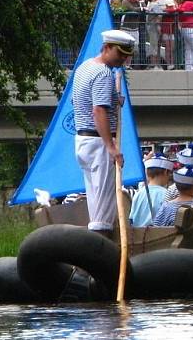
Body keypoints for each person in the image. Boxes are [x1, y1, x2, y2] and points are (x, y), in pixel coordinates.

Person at [72, 29, 135, 237]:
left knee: (95, 201)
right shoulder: (103, 73)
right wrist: (111, 147)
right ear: (107, 47)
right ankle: (98, 255)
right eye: (120, 55)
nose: (123, 60)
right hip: (99, 143)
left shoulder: (84, 67)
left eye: (126, 56)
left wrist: (113, 98)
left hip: (83, 140)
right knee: (103, 210)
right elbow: (98, 109)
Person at [129, 152, 171, 227]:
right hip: (158, 235)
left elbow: (132, 218)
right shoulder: (167, 194)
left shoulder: (138, 194)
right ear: (165, 172)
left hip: (136, 235)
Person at [144, 0, 171, 71]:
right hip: (153, 28)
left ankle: (156, 65)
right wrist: (166, 9)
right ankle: (154, 65)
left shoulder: (152, 5)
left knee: (155, 45)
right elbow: (160, 13)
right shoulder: (154, 5)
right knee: (154, 46)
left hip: (154, 27)